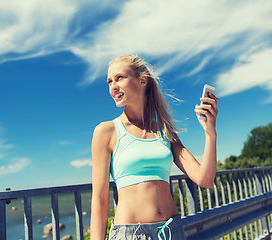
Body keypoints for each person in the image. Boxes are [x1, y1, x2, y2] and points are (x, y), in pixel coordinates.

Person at [90, 54, 218, 240]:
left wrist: (210, 133)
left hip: (171, 231)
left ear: (142, 80)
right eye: (109, 81)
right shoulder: (106, 132)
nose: (113, 87)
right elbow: (100, 201)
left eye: (119, 78)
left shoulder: (165, 132)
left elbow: (204, 179)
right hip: (130, 234)